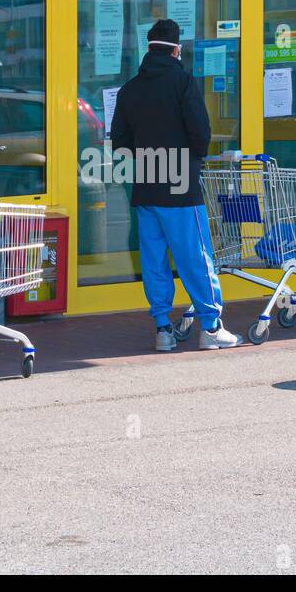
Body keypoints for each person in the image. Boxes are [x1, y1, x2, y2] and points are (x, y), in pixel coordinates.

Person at [109, 19, 241, 352]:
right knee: (195, 257)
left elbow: (120, 143)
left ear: (148, 48)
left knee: (154, 260)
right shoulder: (183, 82)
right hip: (181, 186)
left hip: (147, 186)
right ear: (177, 49)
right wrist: (193, 158)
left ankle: (163, 329)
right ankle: (211, 328)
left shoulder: (129, 90)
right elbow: (200, 131)